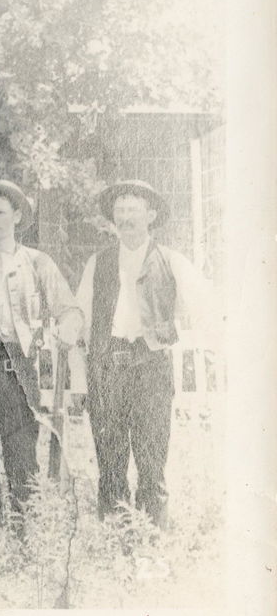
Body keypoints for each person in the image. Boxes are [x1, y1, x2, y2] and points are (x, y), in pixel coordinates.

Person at [74, 179, 210, 528]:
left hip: (152, 369)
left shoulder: (171, 261)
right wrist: (81, 375)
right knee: (110, 459)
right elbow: (81, 321)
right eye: (119, 211)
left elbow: (204, 308)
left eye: (133, 210)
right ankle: (115, 540)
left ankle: (152, 539)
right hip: (109, 368)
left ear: (150, 215)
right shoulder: (98, 263)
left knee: (152, 460)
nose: (126, 217)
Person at [0, 179, 82, 538]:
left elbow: (69, 310)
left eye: (0, 212)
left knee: (22, 463)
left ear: (16, 216)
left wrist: (67, 329)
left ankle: (26, 544)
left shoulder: (37, 263)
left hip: (19, 375)